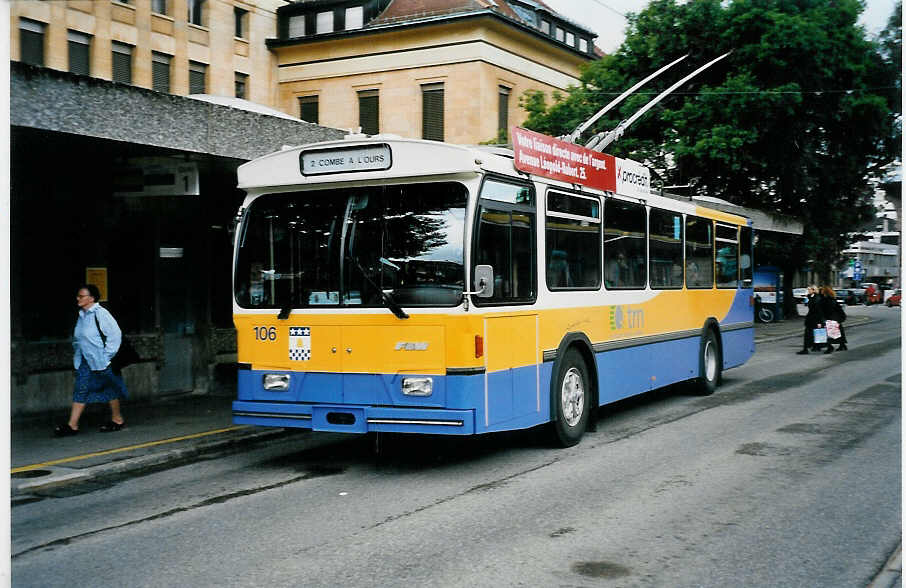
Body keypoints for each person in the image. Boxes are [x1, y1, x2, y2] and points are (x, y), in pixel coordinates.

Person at [54, 284, 128, 436]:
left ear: (92, 298)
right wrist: (78, 359)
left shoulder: (100, 314)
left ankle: (117, 419)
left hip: (102, 362)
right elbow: (78, 340)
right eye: (78, 296)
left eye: (81, 296)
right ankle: (72, 425)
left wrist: (106, 357)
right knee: (80, 389)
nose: (78, 298)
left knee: (110, 389)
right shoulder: (82, 315)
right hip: (86, 362)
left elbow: (115, 335)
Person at [797, 285, 825, 355]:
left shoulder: (817, 298)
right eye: (808, 290)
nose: (808, 291)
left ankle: (807, 349)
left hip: (815, 319)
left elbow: (819, 311)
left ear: (813, 290)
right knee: (812, 333)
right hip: (811, 318)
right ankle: (815, 347)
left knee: (811, 333)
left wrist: (819, 321)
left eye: (809, 290)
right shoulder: (812, 297)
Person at [819, 285, 848, 352]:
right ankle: (842, 345)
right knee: (838, 332)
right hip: (836, 318)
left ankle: (830, 347)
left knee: (828, 333)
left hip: (829, 319)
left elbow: (823, 310)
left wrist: (823, 319)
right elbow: (839, 309)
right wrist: (841, 317)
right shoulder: (833, 299)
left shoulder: (824, 300)